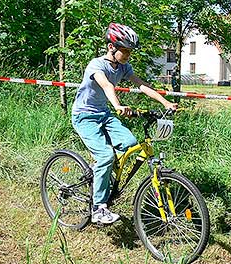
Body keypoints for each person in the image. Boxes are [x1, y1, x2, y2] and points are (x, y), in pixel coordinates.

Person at [72, 23, 178, 225]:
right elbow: (106, 85)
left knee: (130, 142)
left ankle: (103, 174)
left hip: (103, 114)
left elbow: (142, 85)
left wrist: (165, 102)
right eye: (125, 50)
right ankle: (98, 208)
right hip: (84, 116)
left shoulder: (124, 67)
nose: (128, 54)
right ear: (112, 47)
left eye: (130, 50)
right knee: (105, 155)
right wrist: (118, 106)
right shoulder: (96, 65)